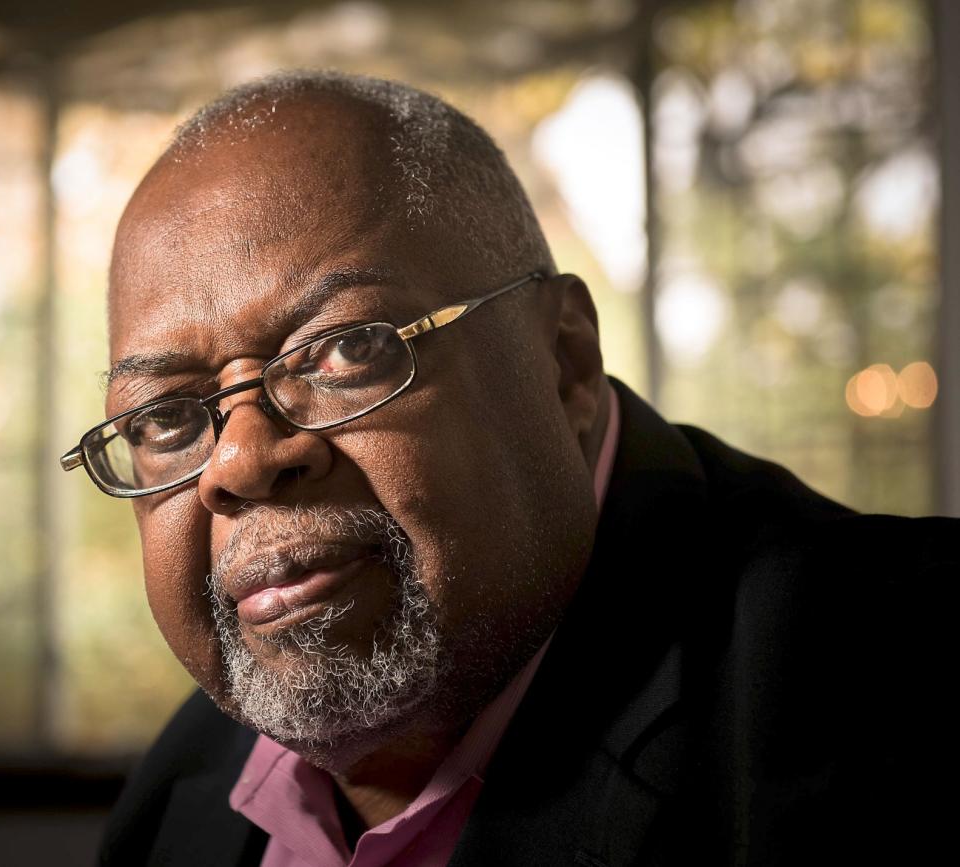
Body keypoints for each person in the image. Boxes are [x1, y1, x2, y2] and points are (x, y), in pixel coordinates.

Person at [59, 71, 956, 866]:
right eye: (168, 416)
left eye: (345, 350)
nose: (243, 459)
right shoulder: (179, 793)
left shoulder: (901, 675)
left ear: (564, 359)